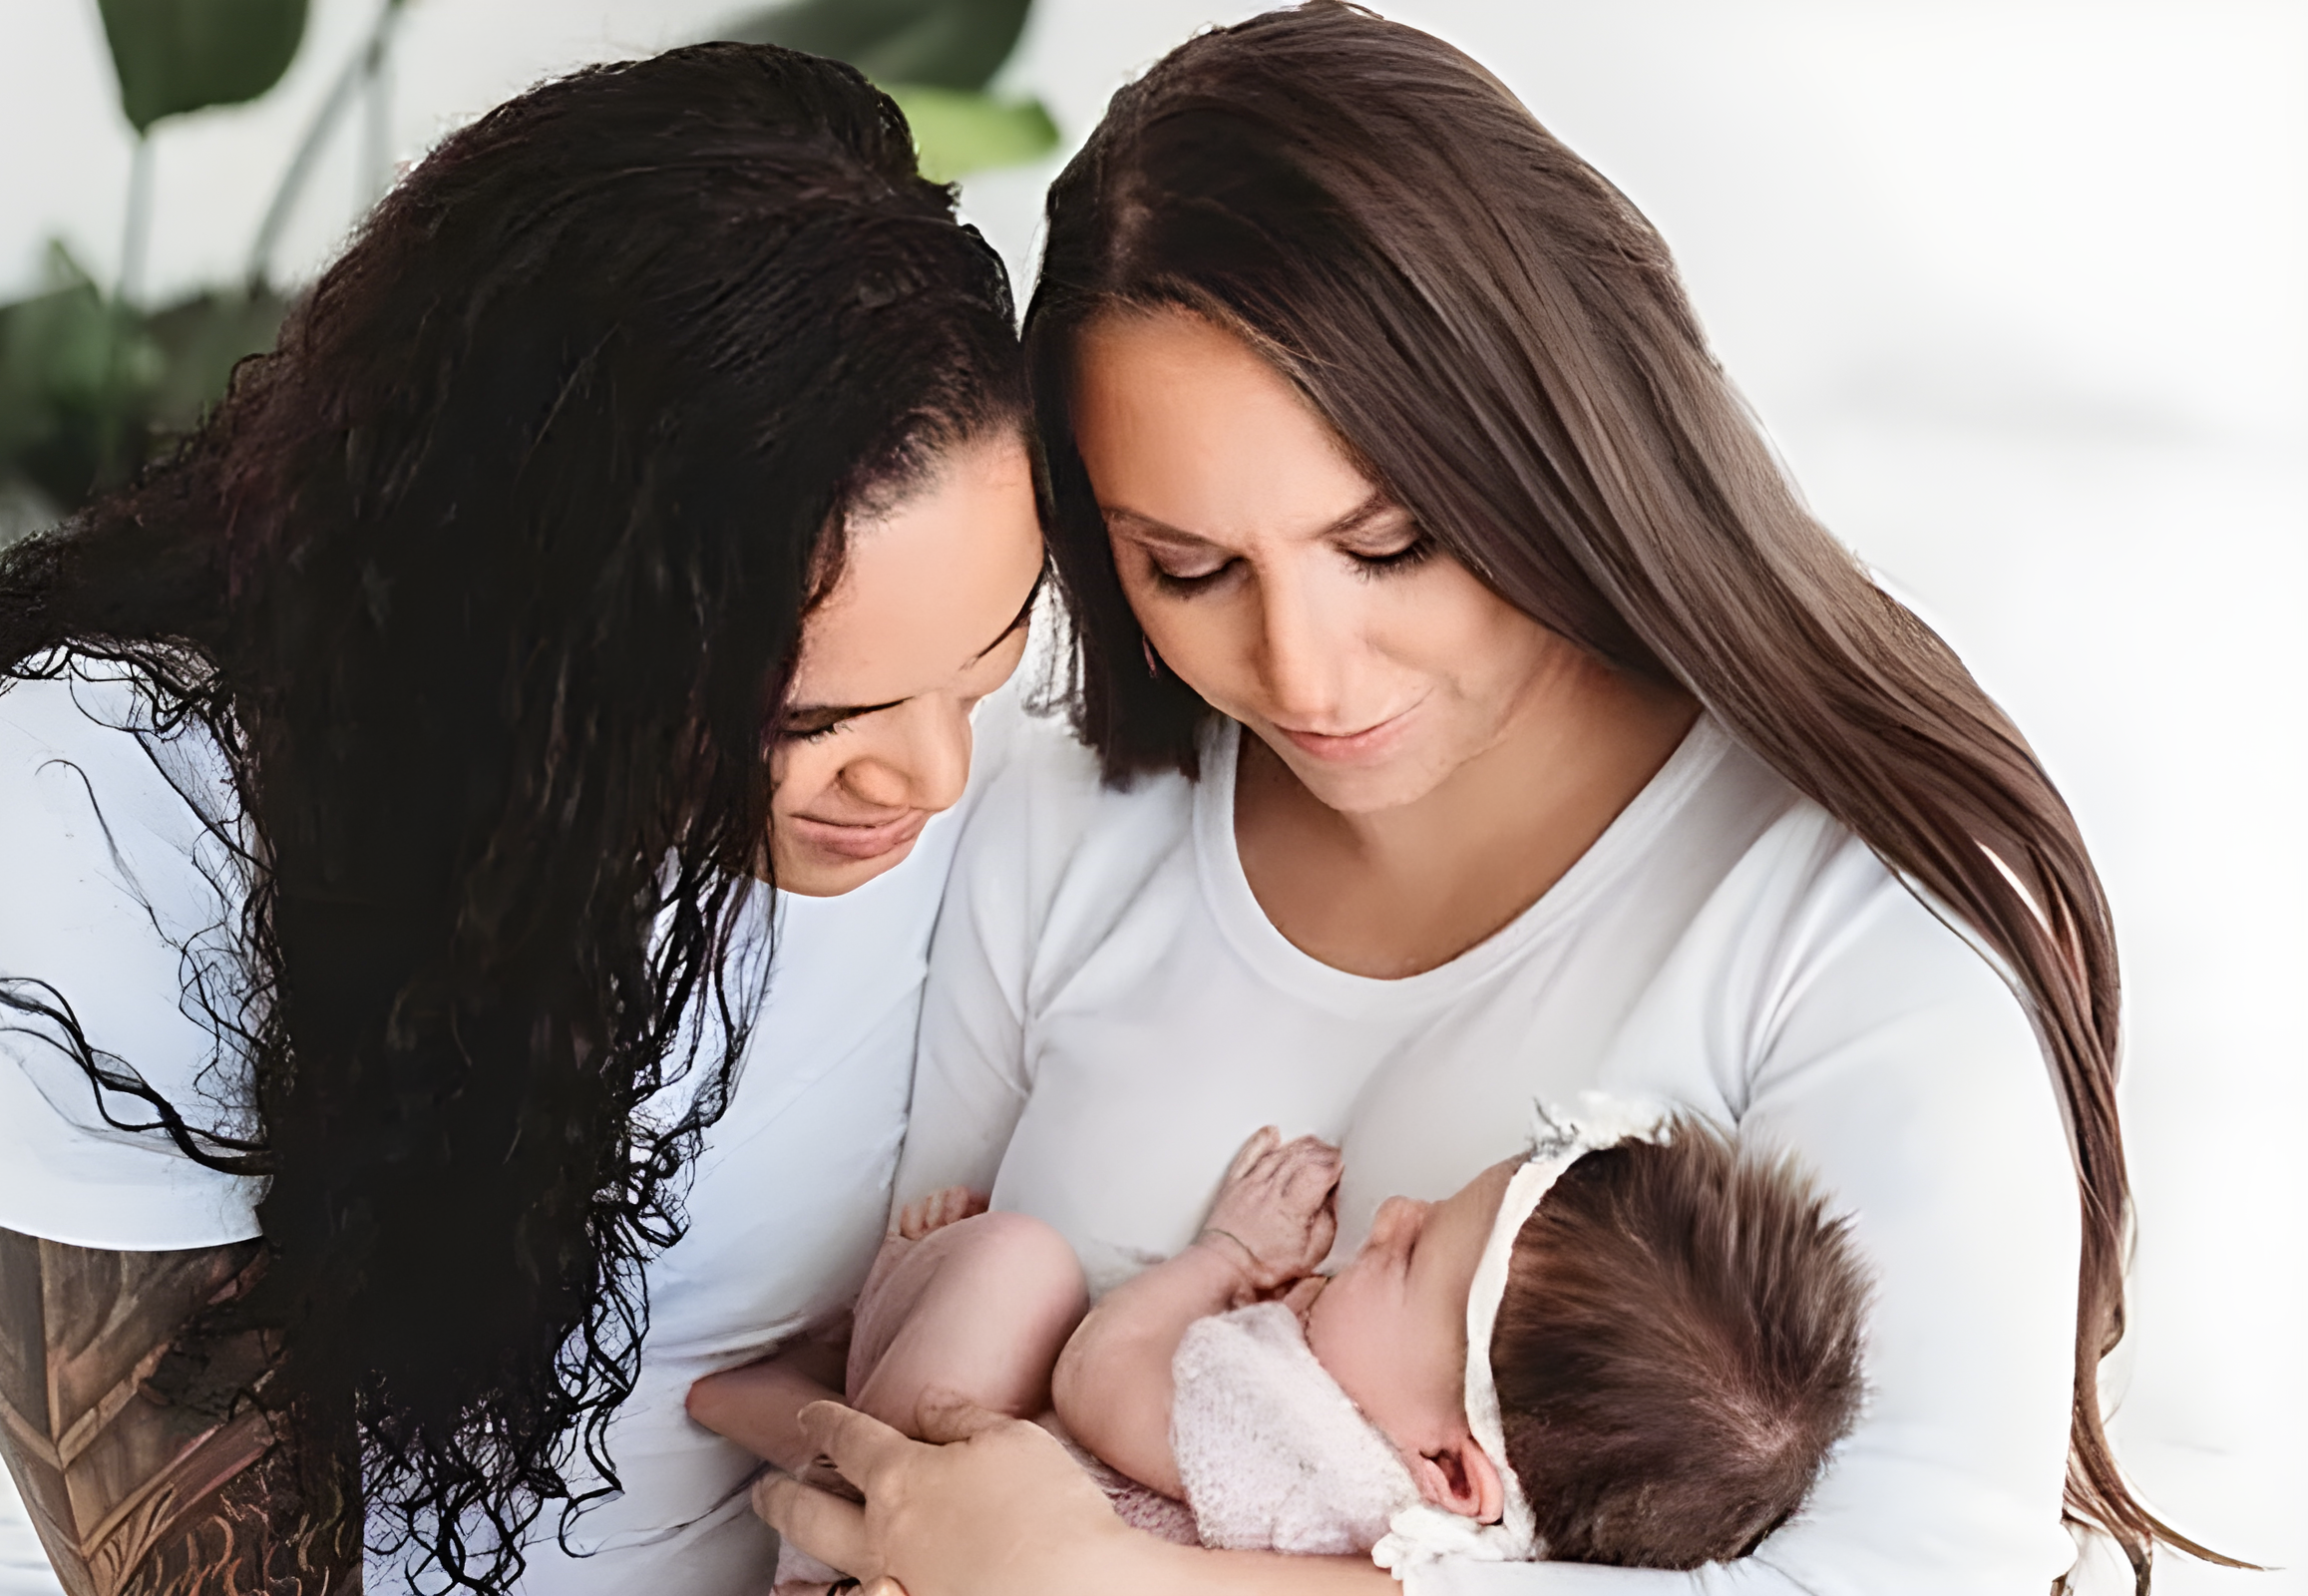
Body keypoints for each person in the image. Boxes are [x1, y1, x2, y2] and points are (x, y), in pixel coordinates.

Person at [751, 5, 2237, 1593]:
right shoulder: (1061, 828)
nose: (1306, 674)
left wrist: (1118, 1582)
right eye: (1188, 569)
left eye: (1389, 545)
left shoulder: (1851, 908)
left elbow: (1917, 1574)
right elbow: (869, 1390)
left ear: (1549, 445)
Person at [0, 43, 1041, 1596]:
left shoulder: (1042, 763)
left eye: (986, 669)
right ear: (529, 636)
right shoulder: (119, 795)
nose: (927, 777)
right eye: (801, 721)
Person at [705, 1101, 1867, 1579]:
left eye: (1409, 1257)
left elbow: (1099, 1379)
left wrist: (1220, 1257)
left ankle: (800, 1418)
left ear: (1449, 1468)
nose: (1394, 1215)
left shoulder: (1310, 1458)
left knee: (1018, 1269)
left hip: (913, 1549)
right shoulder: (1435, 1535)